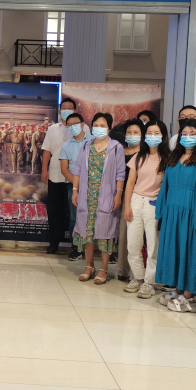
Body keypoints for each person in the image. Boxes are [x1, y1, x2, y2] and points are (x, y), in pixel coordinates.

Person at [155, 120, 196, 312]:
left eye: (192, 134)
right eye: (184, 134)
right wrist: (161, 212)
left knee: (192, 252)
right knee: (175, 251)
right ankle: (179, 289)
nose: (187, 137)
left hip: (191, 213)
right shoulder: (174, 158)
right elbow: (165, 186)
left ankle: (190, 294)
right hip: (172, 213)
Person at [71, 113, 126, 285]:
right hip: (87, 196)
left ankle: (103, 267)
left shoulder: (116, 147)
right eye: (96, 125)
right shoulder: (86, 146)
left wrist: (118, 194)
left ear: (109, 128)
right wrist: (75, 191)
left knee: (105, 232)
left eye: (102, 125)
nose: (98, 128)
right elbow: (78, 170)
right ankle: (89, 266)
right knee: (88, 231)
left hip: (107, 196)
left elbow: (120, 173)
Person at [123, 120, 169, 299]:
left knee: (153, 246)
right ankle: (137, 277)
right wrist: (127, 205)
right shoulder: (139, 156)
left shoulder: (168, 159)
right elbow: (130, 183)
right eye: (149, 132)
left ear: (163, 136)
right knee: (133, 245)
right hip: (136, 201)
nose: (152, 136)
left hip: (154, 204)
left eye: (156, 133)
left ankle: (149, 283)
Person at [42, 98, 76, 254]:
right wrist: (44, 170)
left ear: (75, 110)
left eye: (70, 107)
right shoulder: (53, 129)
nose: (67, 110)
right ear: (60, 110)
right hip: (55, 175)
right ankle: (54, 243)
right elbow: (47, 151)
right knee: (55, 210)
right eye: (64, 107)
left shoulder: (83, 128)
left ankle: (75, 245)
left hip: (74, 177)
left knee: (73, 212)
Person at [115, 119, 143, 280]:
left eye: (136, 132)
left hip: (139, 196)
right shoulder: (120, 152)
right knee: (123, 234)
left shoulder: (145, 154)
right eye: (129, 132)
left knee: (138, 236)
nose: (132, 135)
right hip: (121, 195)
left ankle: (137, 272)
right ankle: (123, 269)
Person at [59, 113, 87, 261]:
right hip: (73, 187)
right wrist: (78, 185)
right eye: (69, 125)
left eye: (75, 123)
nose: (73, 127)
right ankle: (76, 248)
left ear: (82, 124)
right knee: (74, 218)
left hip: (94, 186)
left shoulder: (93, 141)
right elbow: (64, 169)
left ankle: (91, 248)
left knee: (93, 217)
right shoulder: (66, 146)